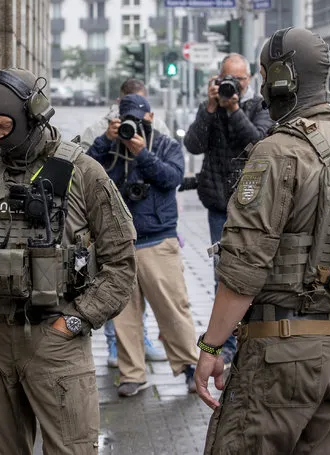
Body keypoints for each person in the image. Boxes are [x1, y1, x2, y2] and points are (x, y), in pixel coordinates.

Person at [194, 27, 330, 454]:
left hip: (280, 355)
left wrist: (210, 346)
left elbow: (243, 268)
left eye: (262, 74)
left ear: (280, 79)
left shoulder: (277, 152)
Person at [0, 68, 137, 454]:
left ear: (32, 116)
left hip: (56, 339)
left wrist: (77, 319)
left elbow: (121, 263)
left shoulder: (82, 172)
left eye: (3, 126)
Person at [87, 94, 199, 396]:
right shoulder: (109, 148)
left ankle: (190, 367)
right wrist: (104, 142)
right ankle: (132, 374)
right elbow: (85, 173)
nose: (133, 125)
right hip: (119, 243)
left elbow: (172, 177)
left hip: (157, 239)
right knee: (124, 317)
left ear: (149, 117)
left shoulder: (164, 145)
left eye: (138, 119)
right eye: (127, 120)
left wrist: (142, 155)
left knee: (174, 310)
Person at [183, 53, 272, 364]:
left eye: (239, 79)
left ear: (248, 81)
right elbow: (193, 144)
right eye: (227, 79)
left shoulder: (260, 107)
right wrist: (211, 109)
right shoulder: (210, 108)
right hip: (219, 206)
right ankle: (229, 345)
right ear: (217, 79)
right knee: (222, 276)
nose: (233, 85)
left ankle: (251, 338)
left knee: (251, 274)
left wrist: (233, 108)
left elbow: (258, 142)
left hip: (252, 208)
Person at [81, 77, 167, 366]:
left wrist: (143, 151)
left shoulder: (156, 129)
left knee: (138, 291)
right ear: (118, 107)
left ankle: (140, 339)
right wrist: (107, 139)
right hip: (108, 222)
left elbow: (168, 171)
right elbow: (80, 165)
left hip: (145, 223)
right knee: (112, 286)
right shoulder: (101, 129)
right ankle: (114, 345)